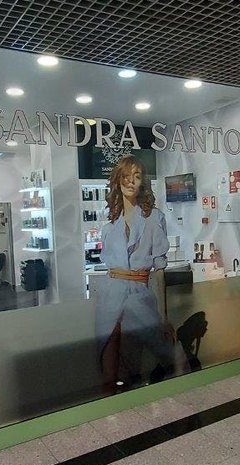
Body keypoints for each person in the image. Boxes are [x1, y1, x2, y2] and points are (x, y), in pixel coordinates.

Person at [95, 155, 180, 393]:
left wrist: (164, 316)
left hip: (139, 293)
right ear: (117, 181)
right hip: (110, 294)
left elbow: (160, 269)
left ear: (143, 182)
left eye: (137, 176)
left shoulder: (154, 218)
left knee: (158, 350)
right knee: (108, 354)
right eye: (125, 176)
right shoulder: (110, 222)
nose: (131, 181)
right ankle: (111, 401)